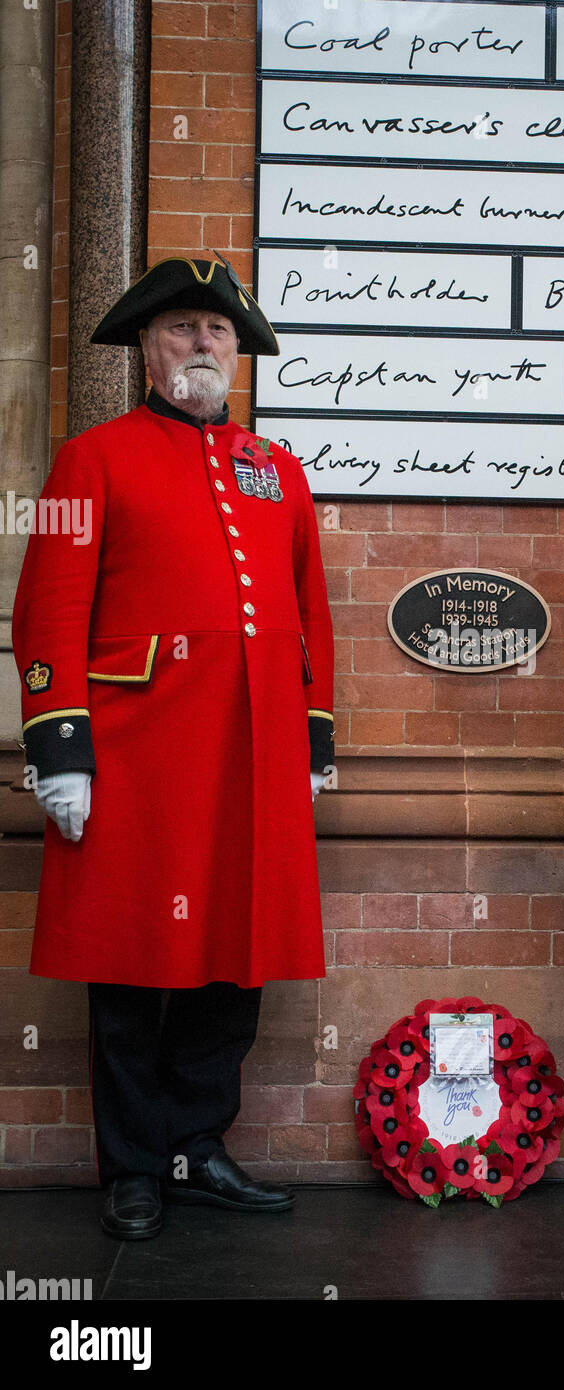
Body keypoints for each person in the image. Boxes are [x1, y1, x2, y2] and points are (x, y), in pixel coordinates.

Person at [13, 256, 335, 1240]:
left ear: (239, 354)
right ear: (147, 347)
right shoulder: (93, 458)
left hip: (253, 754)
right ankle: (135, 1166)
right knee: (131, 967)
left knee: (236, 961)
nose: (203, 344)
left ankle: (199, 1150)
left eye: (219, 332)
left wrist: (314, 731)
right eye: (185, 328)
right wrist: (59, 740)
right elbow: (48, 612)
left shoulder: (276, 467)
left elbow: (308, 610)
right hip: (140, 756)